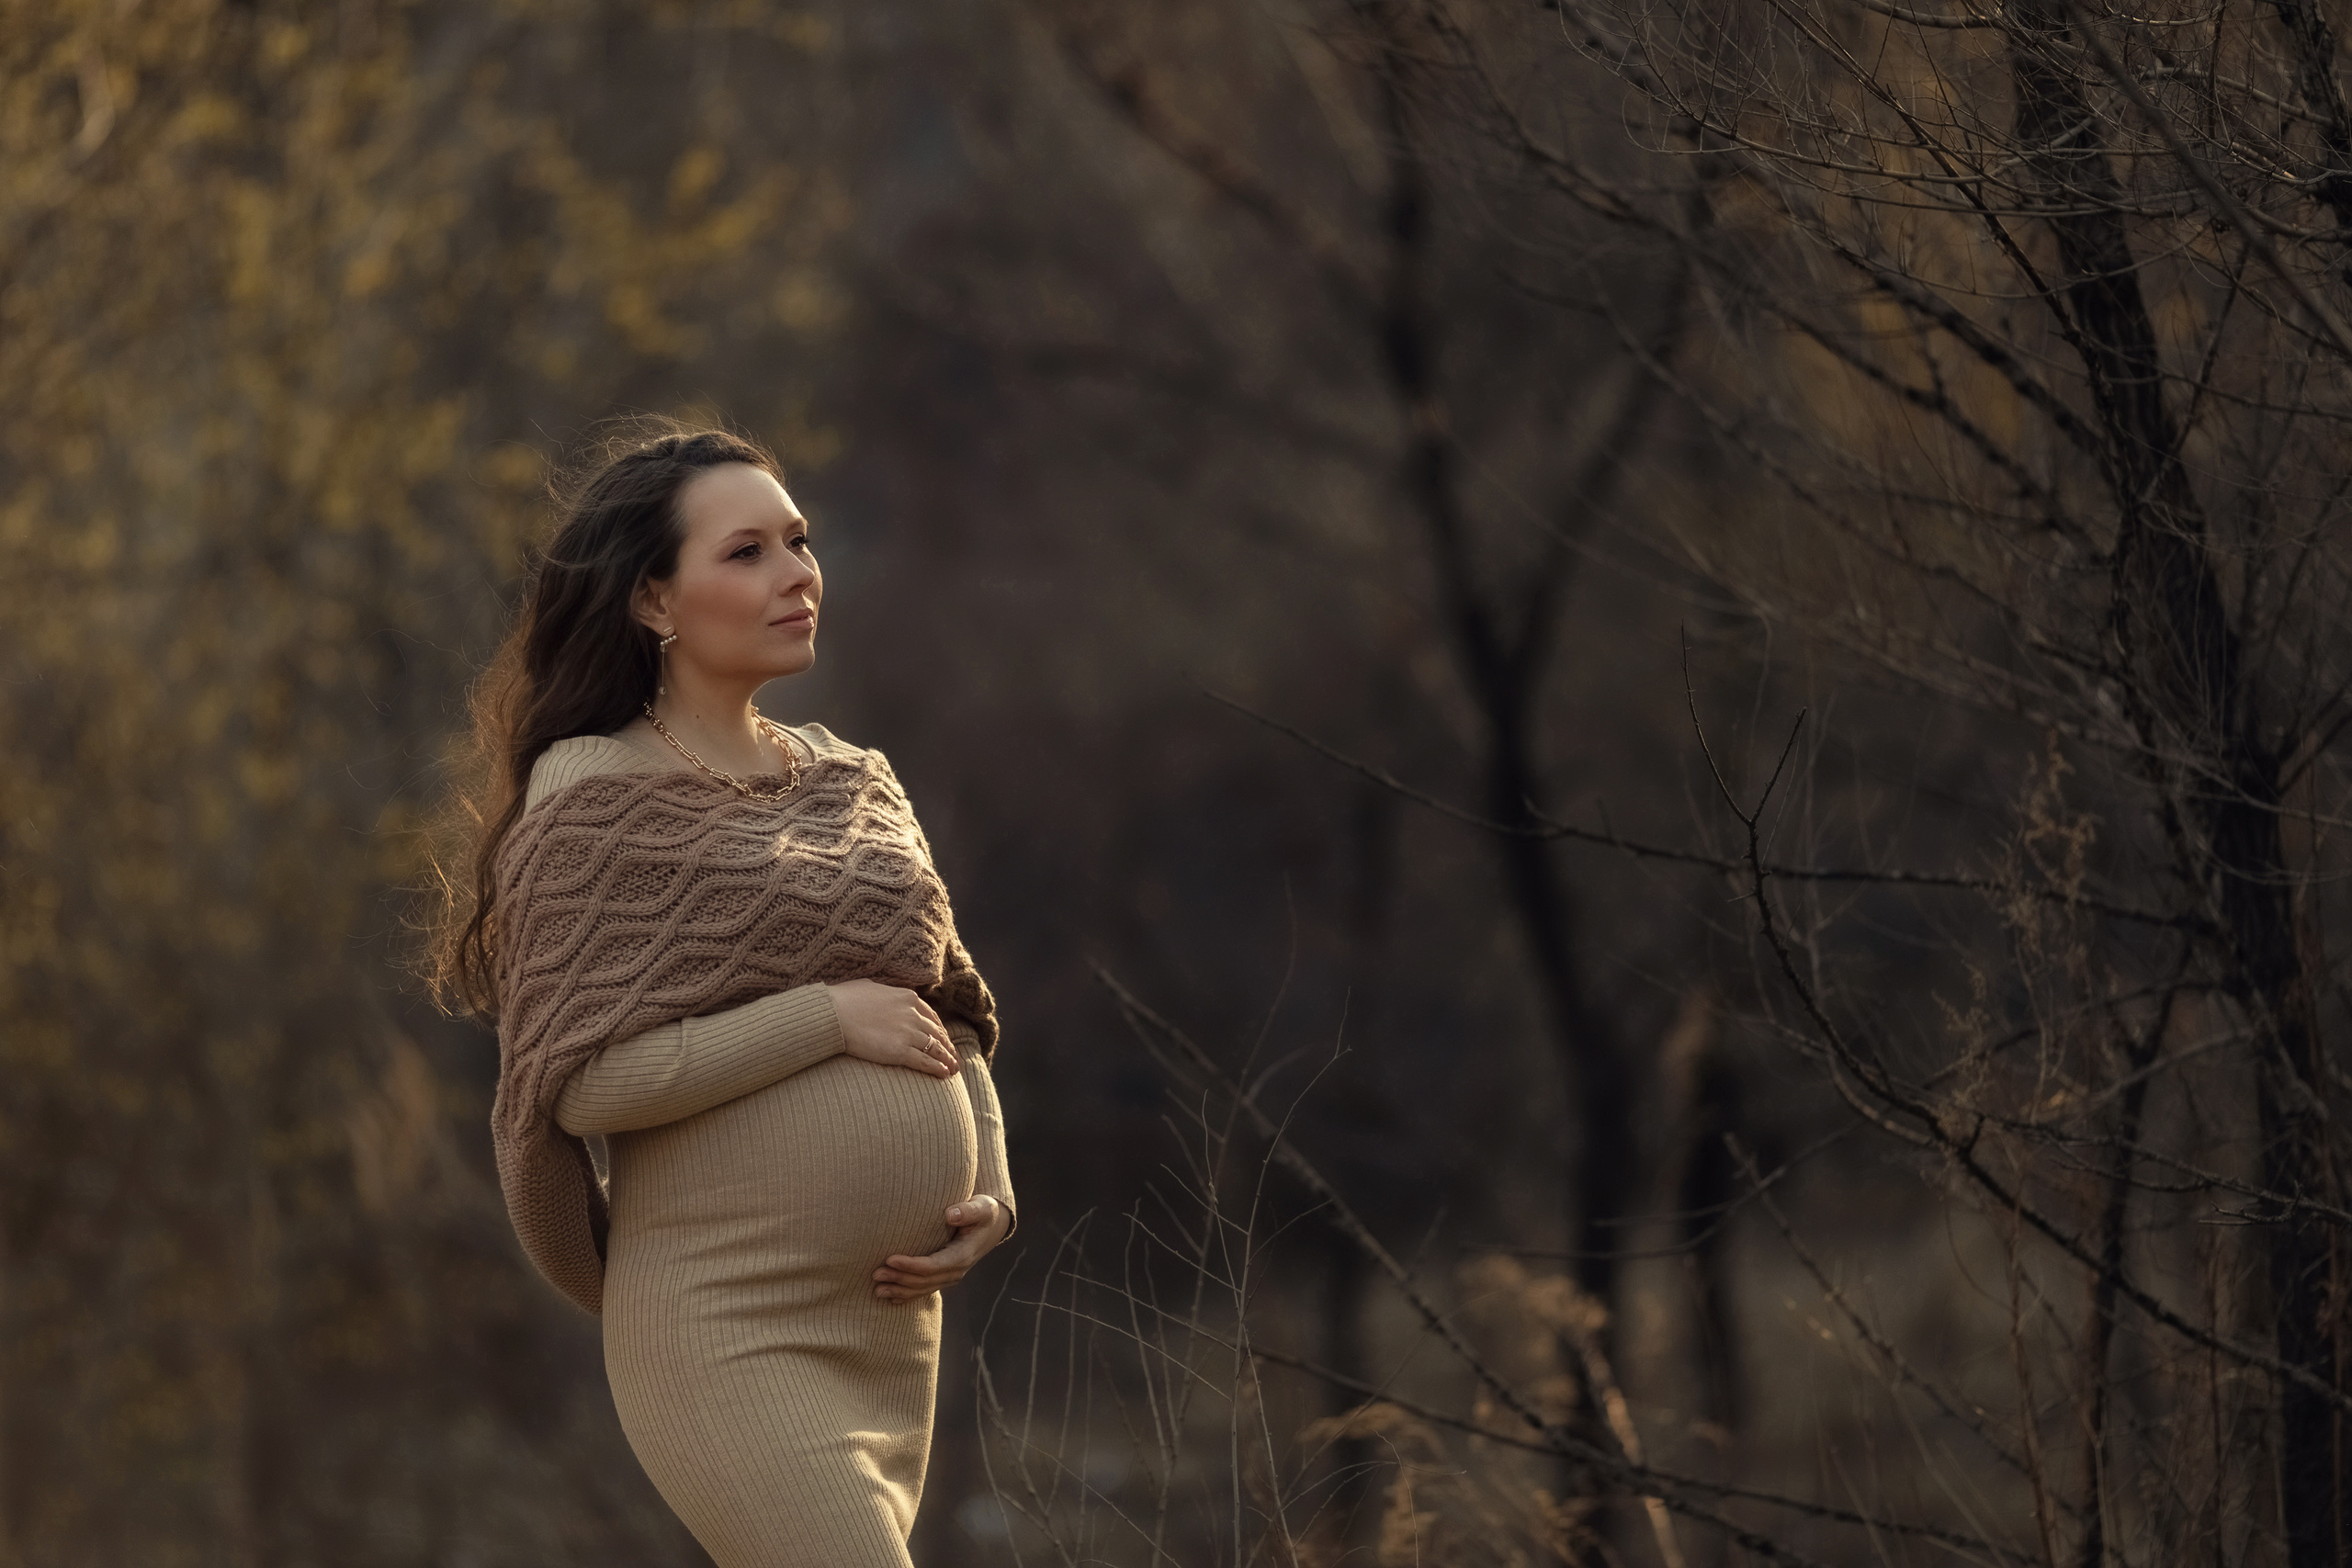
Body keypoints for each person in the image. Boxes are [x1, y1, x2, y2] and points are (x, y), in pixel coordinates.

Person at [427, 425, 1014, 1566]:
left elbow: (945, 1018)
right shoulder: (591, 798)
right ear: (654, 600)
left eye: (799, 542)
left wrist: (987, 1179)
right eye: (745, 552)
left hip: (888, 1328)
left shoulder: (856, 781)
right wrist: (827, 1016)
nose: (796, 575)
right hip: (724, 1322)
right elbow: (587, 1084)